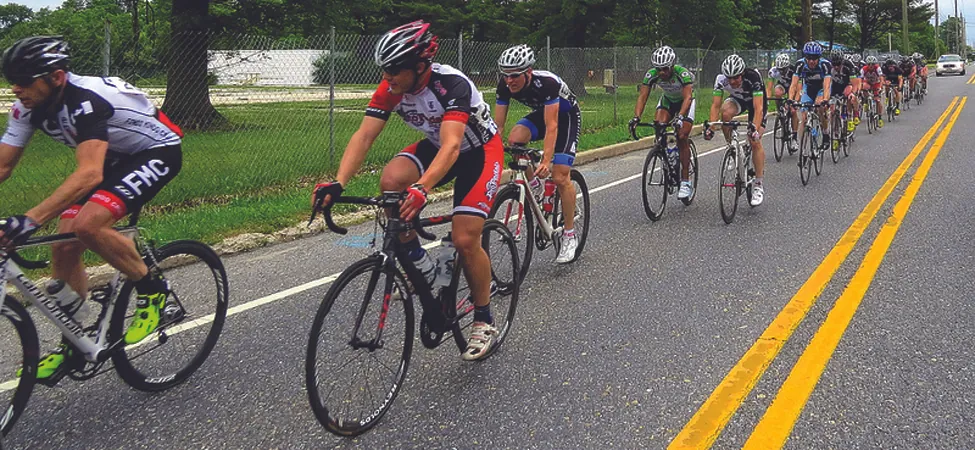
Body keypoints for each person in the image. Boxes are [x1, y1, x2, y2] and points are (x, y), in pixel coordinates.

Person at [311, 21, 503, 361]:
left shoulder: (451, 85)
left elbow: (454, 146)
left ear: (420, 66)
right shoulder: (390, 88)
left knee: (464, 239)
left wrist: (423, 188)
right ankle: (419, 264)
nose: (388, 78)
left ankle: (484, 319)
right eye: (384, 70)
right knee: (390, 182)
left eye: (395, 70)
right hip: (436, 146)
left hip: (478, 152)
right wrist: (338, 182)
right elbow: (364, 136)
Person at [0, 36, 184, 379]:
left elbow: (89, 173)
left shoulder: (86, 101)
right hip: (113, 157)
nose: (15, 89)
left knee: (88, 225)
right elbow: (3, 166)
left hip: (155, 152)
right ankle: (74, 343)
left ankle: (153, 291)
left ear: (56, 77)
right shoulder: (26, 107)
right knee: (64, 243)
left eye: (24, 81)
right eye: (11, 80)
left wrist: (29, 219)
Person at [493, 44, 581, 264]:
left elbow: (552, 126)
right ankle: (533, 186)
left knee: (560, 176)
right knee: (515, 139)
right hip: (543, 114)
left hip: (566, 117)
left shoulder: (547, 83)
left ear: (528, 72)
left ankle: (570, 235)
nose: (509, 81)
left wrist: (546, 161)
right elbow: (498, 128)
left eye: (514, 76)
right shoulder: (504, 86)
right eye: (505, 75)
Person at [630, 46, 696, 199]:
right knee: (658, 125)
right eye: (658, 69)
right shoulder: (651, 75)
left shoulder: (682, 74)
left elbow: (687, 98)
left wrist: (680, 117)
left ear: (672, 65)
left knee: (681, 136)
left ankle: (685, 181)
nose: (662, 73)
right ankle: (667, 153)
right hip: (668, 100)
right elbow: (642, 97)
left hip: (685, 103)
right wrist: (636, 118)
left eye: (665, 69)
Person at [706, 54, 767, 206]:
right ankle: (732, 149)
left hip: (755, 103)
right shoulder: (720, 79)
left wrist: (754, 128)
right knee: (725, 113)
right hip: (738, 100)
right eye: (729, 78)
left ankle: (758, 185)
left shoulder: (753, 77)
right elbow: (715, 105)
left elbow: (758, 108)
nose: (732, 81)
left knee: (754, 141)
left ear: (742, 73)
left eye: (736, 78)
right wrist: (711, 127)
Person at [788, 41, 832, 153]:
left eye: (814, 58)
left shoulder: (824, 65)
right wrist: (790, 99)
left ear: (819, 57)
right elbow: (793, 84)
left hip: (821, 89)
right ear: (805, 57)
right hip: (808, 89)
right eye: (809, 58)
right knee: (804, 116)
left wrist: (826, 100)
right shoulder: (800, 64)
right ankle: (804, 145)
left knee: (819, 107)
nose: (812, 61)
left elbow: (827, 85)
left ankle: (825, 133)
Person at [767, 53, 800, 153]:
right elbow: (769, 88)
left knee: (793, 111)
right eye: (779, 69)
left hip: (793, 88)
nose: (781, 72)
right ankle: (780, 110)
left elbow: (798, 89)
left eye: (783, 70)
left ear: (787, 67)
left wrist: (795, 101)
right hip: (782, 86)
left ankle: (794, 137)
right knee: (777, 92)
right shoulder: (773, 71)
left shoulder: (794, 70)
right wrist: (767, 101)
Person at [826, 49, 861, 136]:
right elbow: (825, 84)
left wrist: (853, 93)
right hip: (835, 86)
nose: (836, 67)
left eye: (838, 64)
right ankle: (835, 130)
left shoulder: (848, 65)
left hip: (847, 84)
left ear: (842, 61)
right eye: (834, 64)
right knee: (832, 109)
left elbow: (855, 83)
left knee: (849, 96)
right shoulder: (828, 66)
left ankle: (851, 117)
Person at [860, 56, 886, 128]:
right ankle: (866, 101)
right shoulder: (863, 69)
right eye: (869, 64)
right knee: (864, 87)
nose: (871, 66)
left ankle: (880, 118)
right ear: (866, 64)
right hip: (868, 83)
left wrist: (880, 87)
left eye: (872, 64)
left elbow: (881, 78)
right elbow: (860, 79)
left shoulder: (877, 68)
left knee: (877, 100)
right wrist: (860, 87)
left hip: (876, 83)